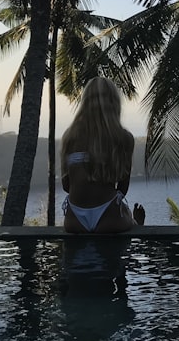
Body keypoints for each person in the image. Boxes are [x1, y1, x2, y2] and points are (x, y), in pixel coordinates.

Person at [60, 77, 145, 233]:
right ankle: (135, 222)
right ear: (114, 103)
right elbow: (122, 188)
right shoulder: (123, 138)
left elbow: (66, 186)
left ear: (85, 103)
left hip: (74, 219)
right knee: (129, 219)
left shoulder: (70, 137)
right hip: (109, 216)